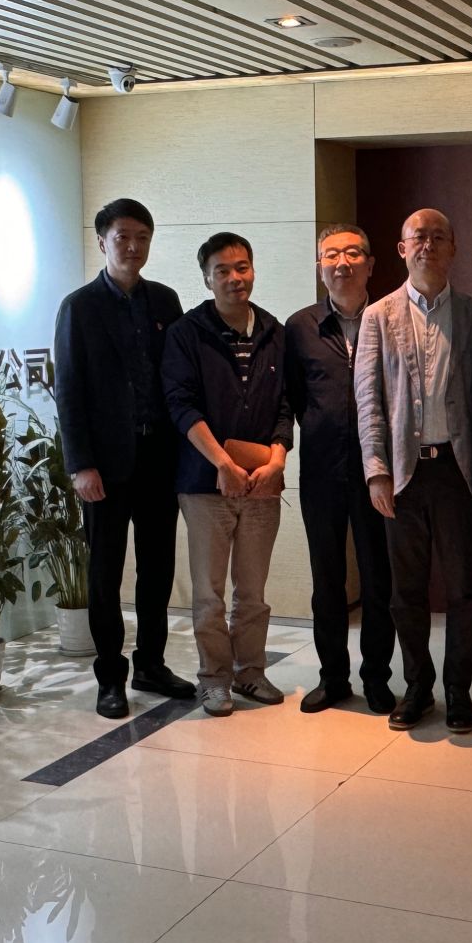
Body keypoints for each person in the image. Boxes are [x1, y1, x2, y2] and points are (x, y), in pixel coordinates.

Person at [52, 198, 196, 718]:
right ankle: (110, 676)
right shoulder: (79, 306)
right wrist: (79, 465)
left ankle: (151, 664)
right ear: (102, 242)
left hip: (159, 457)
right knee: (105, 573)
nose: (133, 247)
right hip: (104, 467)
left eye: (142, 238)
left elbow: (180, 375)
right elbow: (68, 390)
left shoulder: (165, 300)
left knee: (157, 569)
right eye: (122, 237)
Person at [354, 208, 472, 732]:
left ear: (453, 247)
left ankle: (458, 691)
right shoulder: (378, 316)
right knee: (405, 592)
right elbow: (368, 400)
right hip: (403, 472)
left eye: (438, 237)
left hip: (458, 471)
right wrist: (376, 470)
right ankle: (417, 687)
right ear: (401, 248)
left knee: (462, 591)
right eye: (418, 237)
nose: (427, 245)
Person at [160, 232, 293, 717]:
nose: (235, 278)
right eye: (222, 270)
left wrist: (277, 460)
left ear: (253, 270)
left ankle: (250, 671)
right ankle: (214, 679)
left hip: (262, 483)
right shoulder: (186, 332)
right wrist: (222, 463)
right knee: (209, 594)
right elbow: (181, 405)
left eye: (242, 267)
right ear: (206, 278)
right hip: (204, 483)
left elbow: (285, 406)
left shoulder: (275, 331)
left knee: (252, 592)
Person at [284, 225, 397, 716]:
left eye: (352, 253)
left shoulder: (390, 318)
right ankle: (333, 678)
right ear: (320, 267)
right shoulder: (300, 327)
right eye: (331, 255)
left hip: (379, 472)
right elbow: (291, 398)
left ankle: (377, 679)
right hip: (321, 473)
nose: (342, 262)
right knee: (326, 581)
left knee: (378, 581)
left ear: (371, 264)